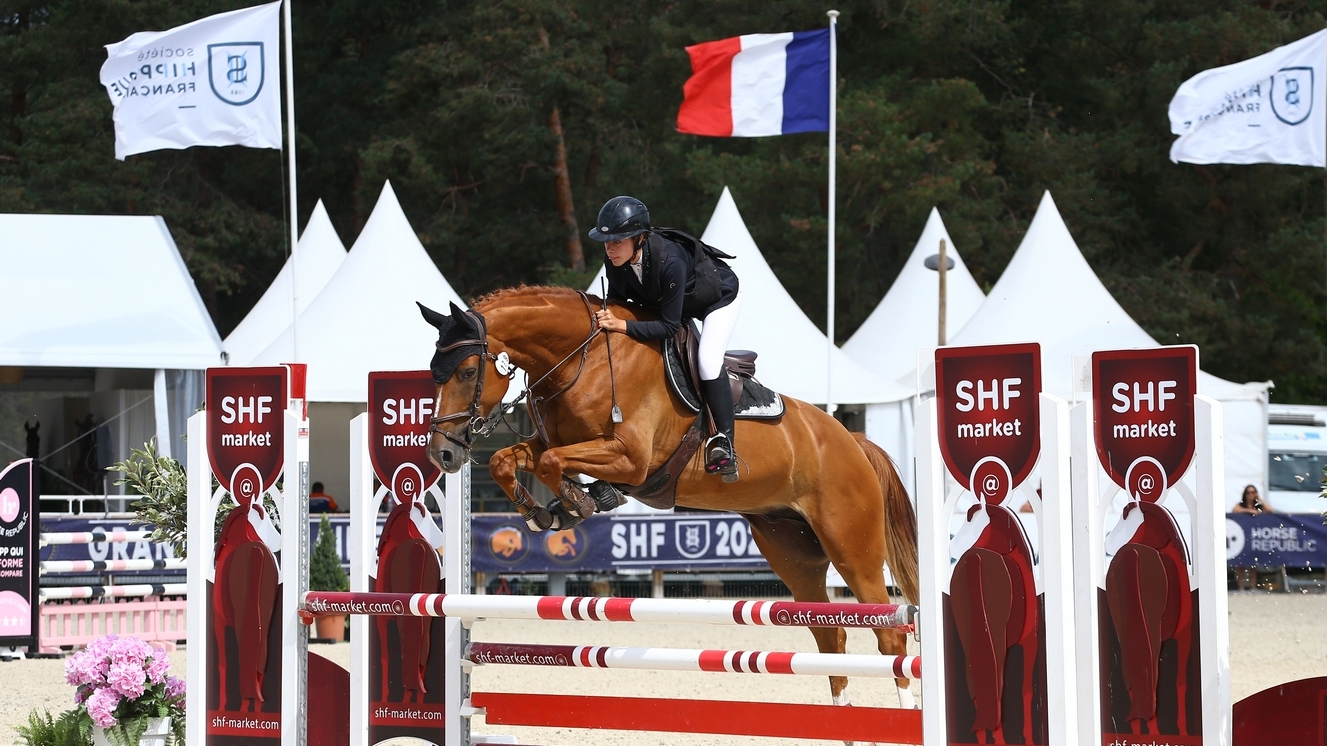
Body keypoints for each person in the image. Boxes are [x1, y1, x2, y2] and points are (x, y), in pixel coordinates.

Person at [589, 196, 742, 481]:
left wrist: (621, 325)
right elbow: (622, 302)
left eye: (617, 242)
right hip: (675, 303)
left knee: (708, 360)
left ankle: (724, 441)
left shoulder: (670, 261)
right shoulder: (616, 258)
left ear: (639, 239)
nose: (610, 249)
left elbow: (670, 326)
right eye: (607, 243)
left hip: (717, 299)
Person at [1231, 484, 1272, 590]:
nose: (1251, 495)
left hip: (1254, 537)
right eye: (1248, 493)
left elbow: (1269, 509)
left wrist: (1260, 499)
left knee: (1253, 564)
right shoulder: (1241, 505)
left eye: (1253, 492)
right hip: (1243, 536)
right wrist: (1249, 511)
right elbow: (1234, 510)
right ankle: (1241, 587)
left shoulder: (1259, 506)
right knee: (1241, 564)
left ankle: (1253, 586)